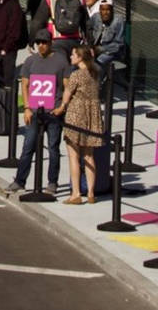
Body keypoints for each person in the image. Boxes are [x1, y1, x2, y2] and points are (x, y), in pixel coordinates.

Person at [5, 33, 69, 196]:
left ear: (50, 43)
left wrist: (62, 107)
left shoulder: (61, 61)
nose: (41, 45)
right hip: (34, 112)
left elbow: (67, 86)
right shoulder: (30, 61)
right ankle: (20, 180)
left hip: (53, 112)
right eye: (38, 42)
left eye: (44, 42)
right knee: (28, 147)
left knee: (53, 148)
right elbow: (25, 86)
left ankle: (52, 182)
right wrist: (27, 108)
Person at [57, 44, 105, 205]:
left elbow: (67, 94)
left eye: (73, 55)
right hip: (92, 115)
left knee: (73, 155)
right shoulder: (95, 74)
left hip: (77, 114)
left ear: (80, 57)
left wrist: (62, 107)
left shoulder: (76, 75)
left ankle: (76, 193)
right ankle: (91, 192)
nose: (71, 57)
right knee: (89, 155)